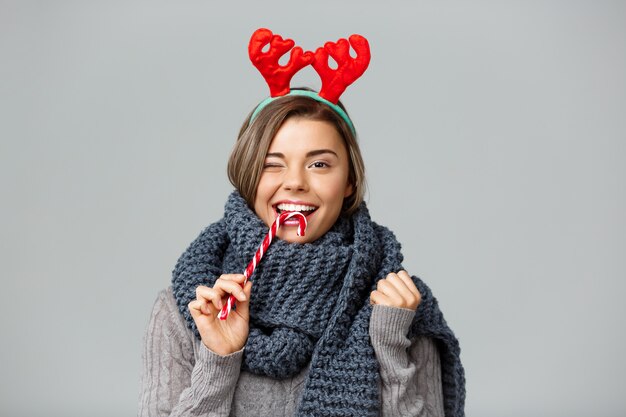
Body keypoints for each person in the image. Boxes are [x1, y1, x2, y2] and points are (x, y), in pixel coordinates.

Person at [139, 29, 465, 417]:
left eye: (319, 164)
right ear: (248, 177)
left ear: (349, 183)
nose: (294, 181)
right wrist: (218, 359)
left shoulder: (398, 304)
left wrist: (391, 348)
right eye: (271, 164)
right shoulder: (192, 307)